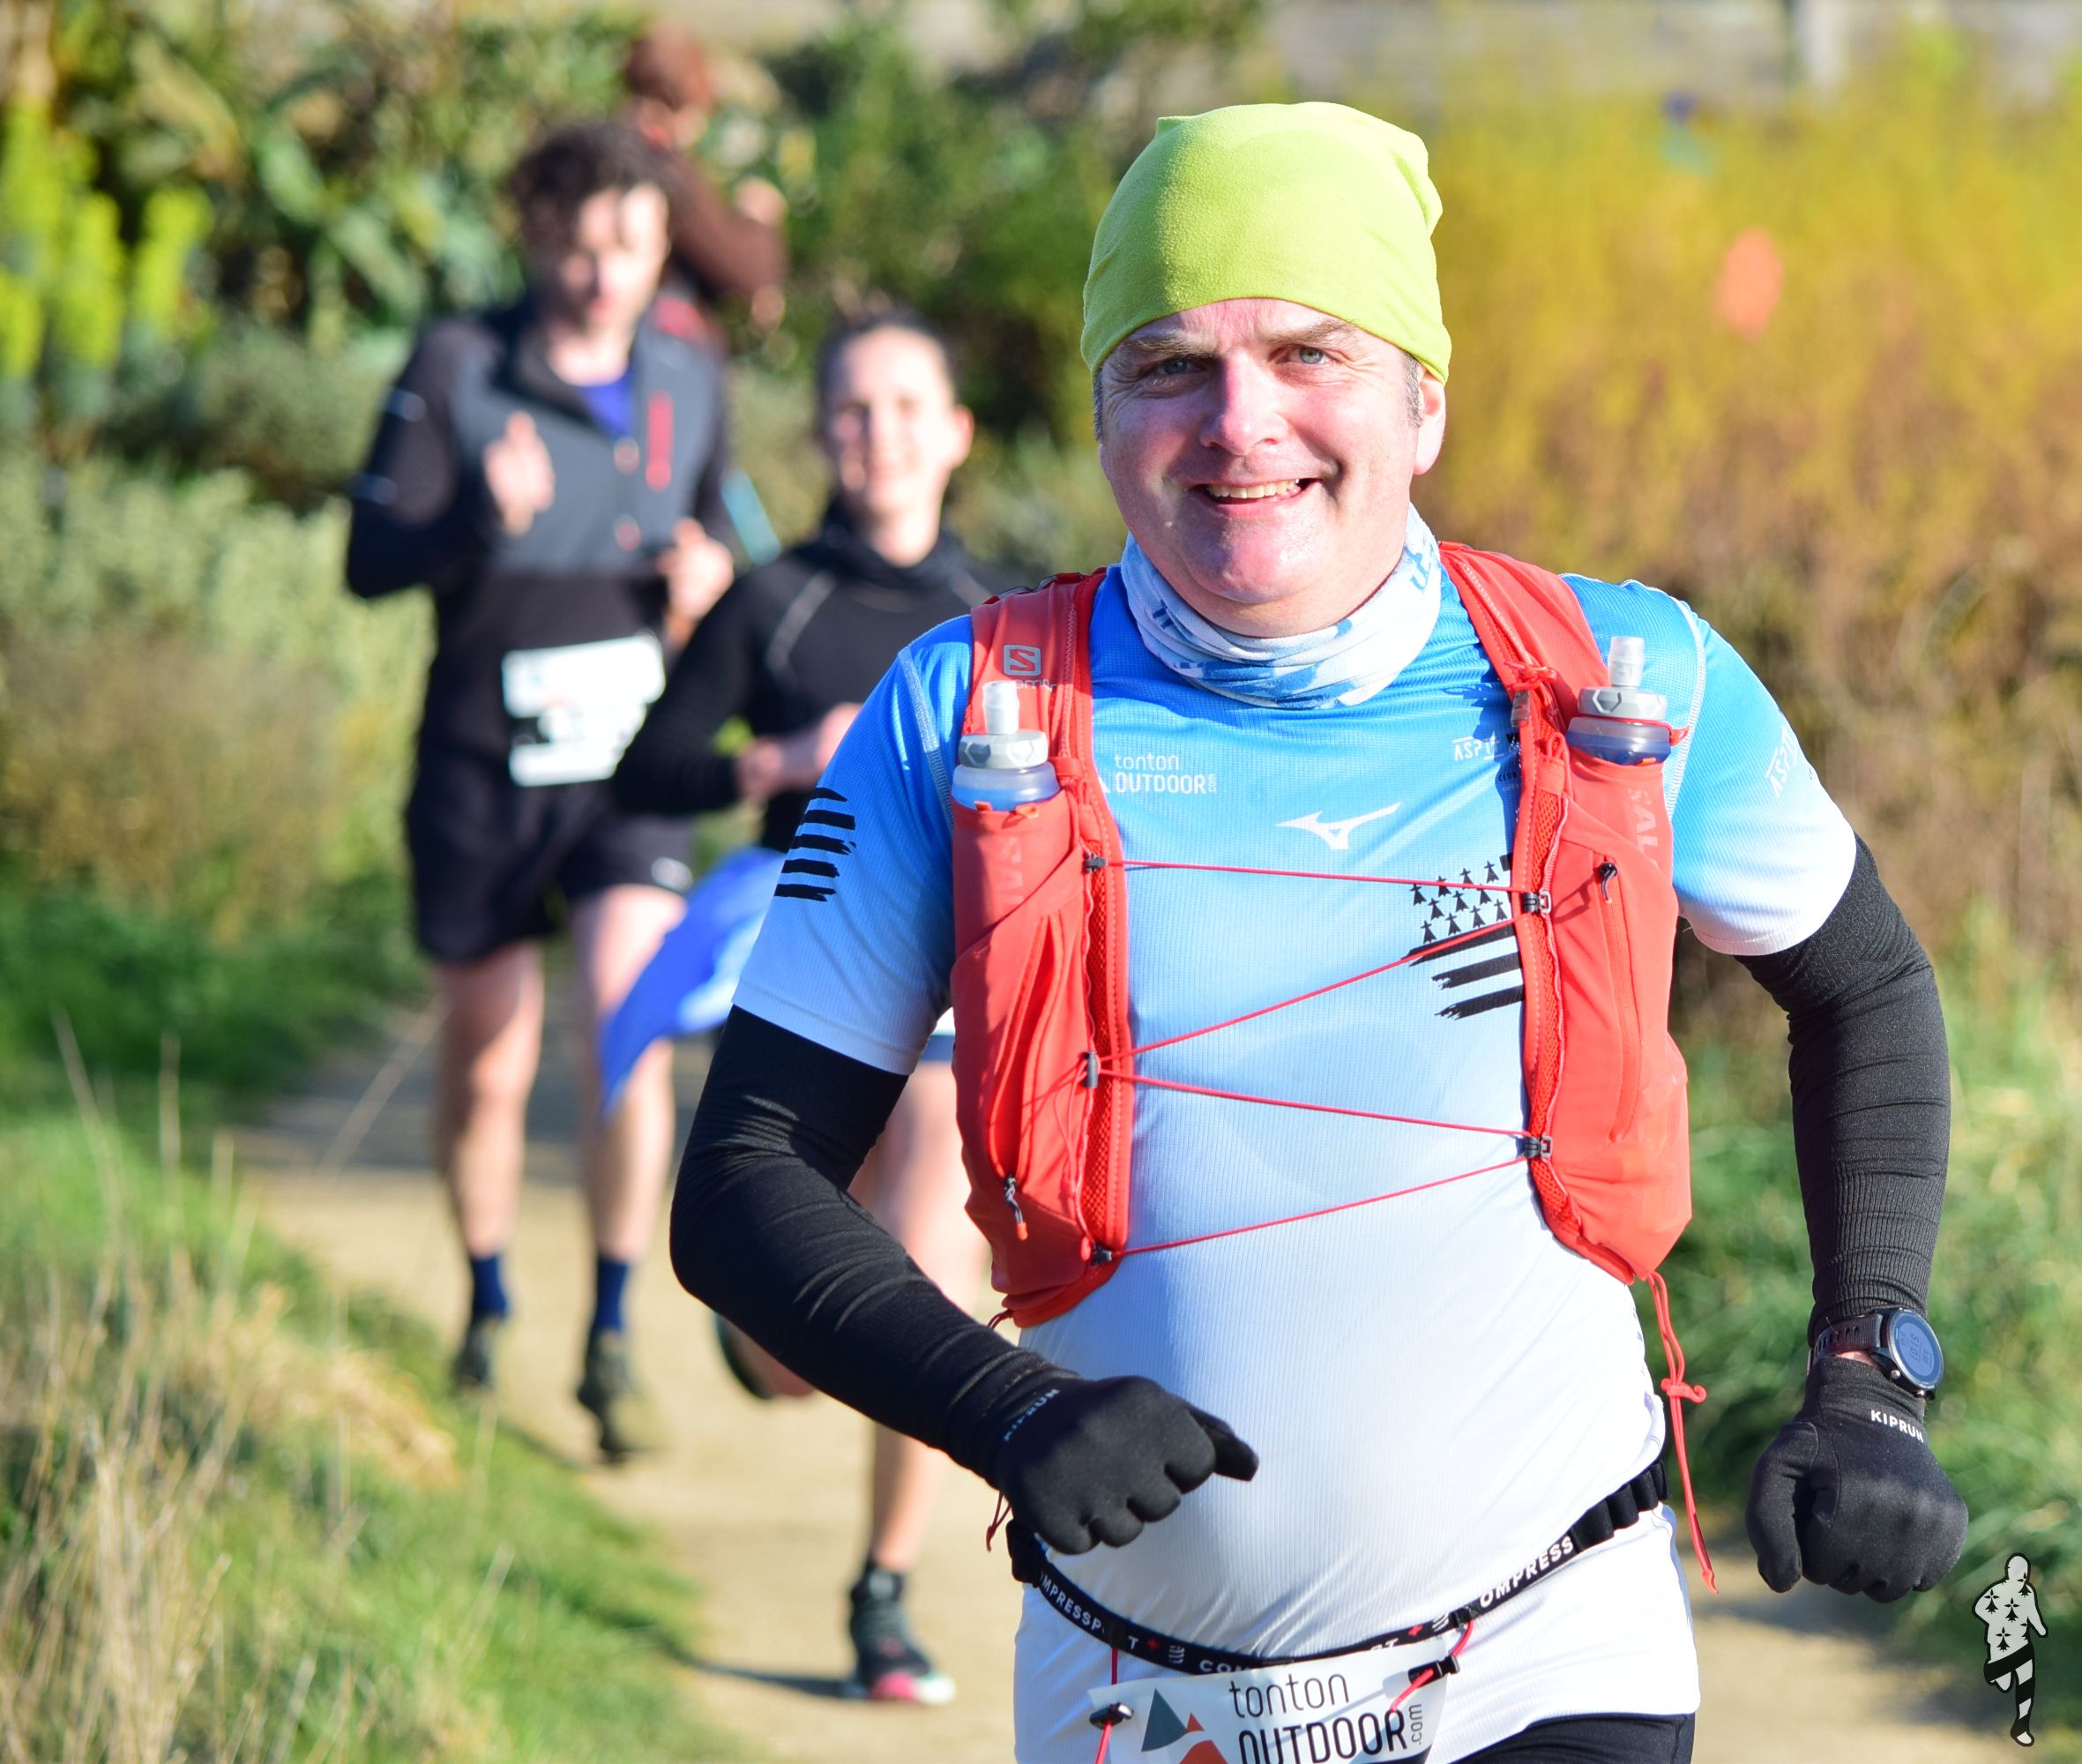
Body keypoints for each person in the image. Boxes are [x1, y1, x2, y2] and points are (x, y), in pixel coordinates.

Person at [673, 102, 1966, 1762]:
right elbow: (746, 1181)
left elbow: (1866, 989)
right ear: (1099, 416)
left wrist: (1868, 1375)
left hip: (1549, 1657)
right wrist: (1006, 1412)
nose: (1241, 422)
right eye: (1168, 365)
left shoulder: (1625, 683)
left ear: (1424, 401)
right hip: (1137, 1696)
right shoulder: (965, 714)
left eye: (1310, 352)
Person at [611, 308, 1004, 1701]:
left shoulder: (1002, 617)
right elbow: (650, 770)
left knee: (928, 1248)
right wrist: (785, 758)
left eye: (906, 406)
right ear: (825, 434)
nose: (878, 433)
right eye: (852, 408)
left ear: (954, 434)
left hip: (946, 957)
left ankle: (884, 1591)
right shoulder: (772, 599)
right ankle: (766, 1315)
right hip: (802, 946)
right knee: (795, 1355)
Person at [347, 119, 738, 1461]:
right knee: (490, 1057)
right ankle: (486, 1298)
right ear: (532, 239)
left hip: (631, 763)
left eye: (628, 244)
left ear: (661, 245)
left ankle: (612, 1333)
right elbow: (367, 558)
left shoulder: (689, 375)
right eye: (574, 245)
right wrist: (473, 518)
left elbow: (720, 531)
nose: (601, 272)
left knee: (628, 1027)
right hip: (483, 755)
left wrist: (709, 578)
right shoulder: (458, 365)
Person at [622, 22, 789, 347]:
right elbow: (745, 274)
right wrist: (760, 221)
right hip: (660, 346)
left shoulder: (610, 146)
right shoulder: (664, 167)